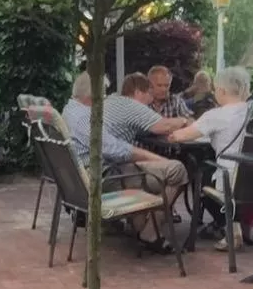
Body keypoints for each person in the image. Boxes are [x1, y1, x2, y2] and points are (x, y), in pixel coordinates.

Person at [63, 73, 188, 251]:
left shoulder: (70, 110)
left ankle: (140, 226)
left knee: (148, 170)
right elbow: (114, 149)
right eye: (103, 94)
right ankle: (150, 233)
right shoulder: (85, 119)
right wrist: (157, 158)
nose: (105, 98)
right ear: (92, 96)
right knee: (176, 170)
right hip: (104, 178)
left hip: (88, 177)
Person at [170, 66, 253, 251]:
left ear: (222, 91)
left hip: (230, 180)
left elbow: (180, 137)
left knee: (200, 174)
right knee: (210, 170)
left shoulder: (217, 115)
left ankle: (229, 228)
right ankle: (236, 227)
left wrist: (177, 126)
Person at [104, 72, 189, 146]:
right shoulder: (133, 106)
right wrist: (184, 120)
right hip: (109, 160)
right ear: (138, 92)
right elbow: (165, 126)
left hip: (100, 152)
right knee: (175, 164)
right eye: (149, 93)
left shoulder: (112, 98)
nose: (151, 97)